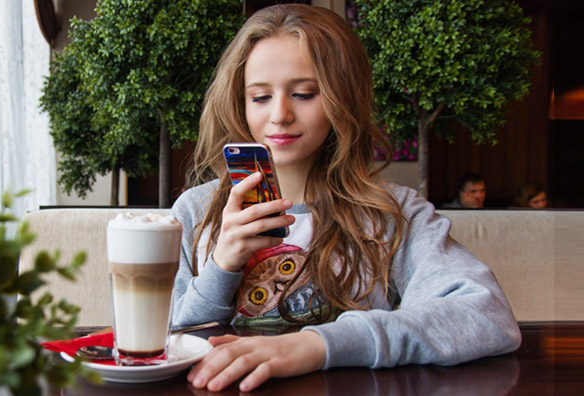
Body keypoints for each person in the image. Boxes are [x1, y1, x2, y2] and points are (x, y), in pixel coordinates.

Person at [170, 5, 520, 393]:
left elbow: (487, 316)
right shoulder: (196, 211)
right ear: (240, 103)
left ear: (343, 98)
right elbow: (159, 338)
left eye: (304, 94)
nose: (280, 114)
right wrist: (221, 266)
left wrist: (319, 344)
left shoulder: (392, 214)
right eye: (260, 97)